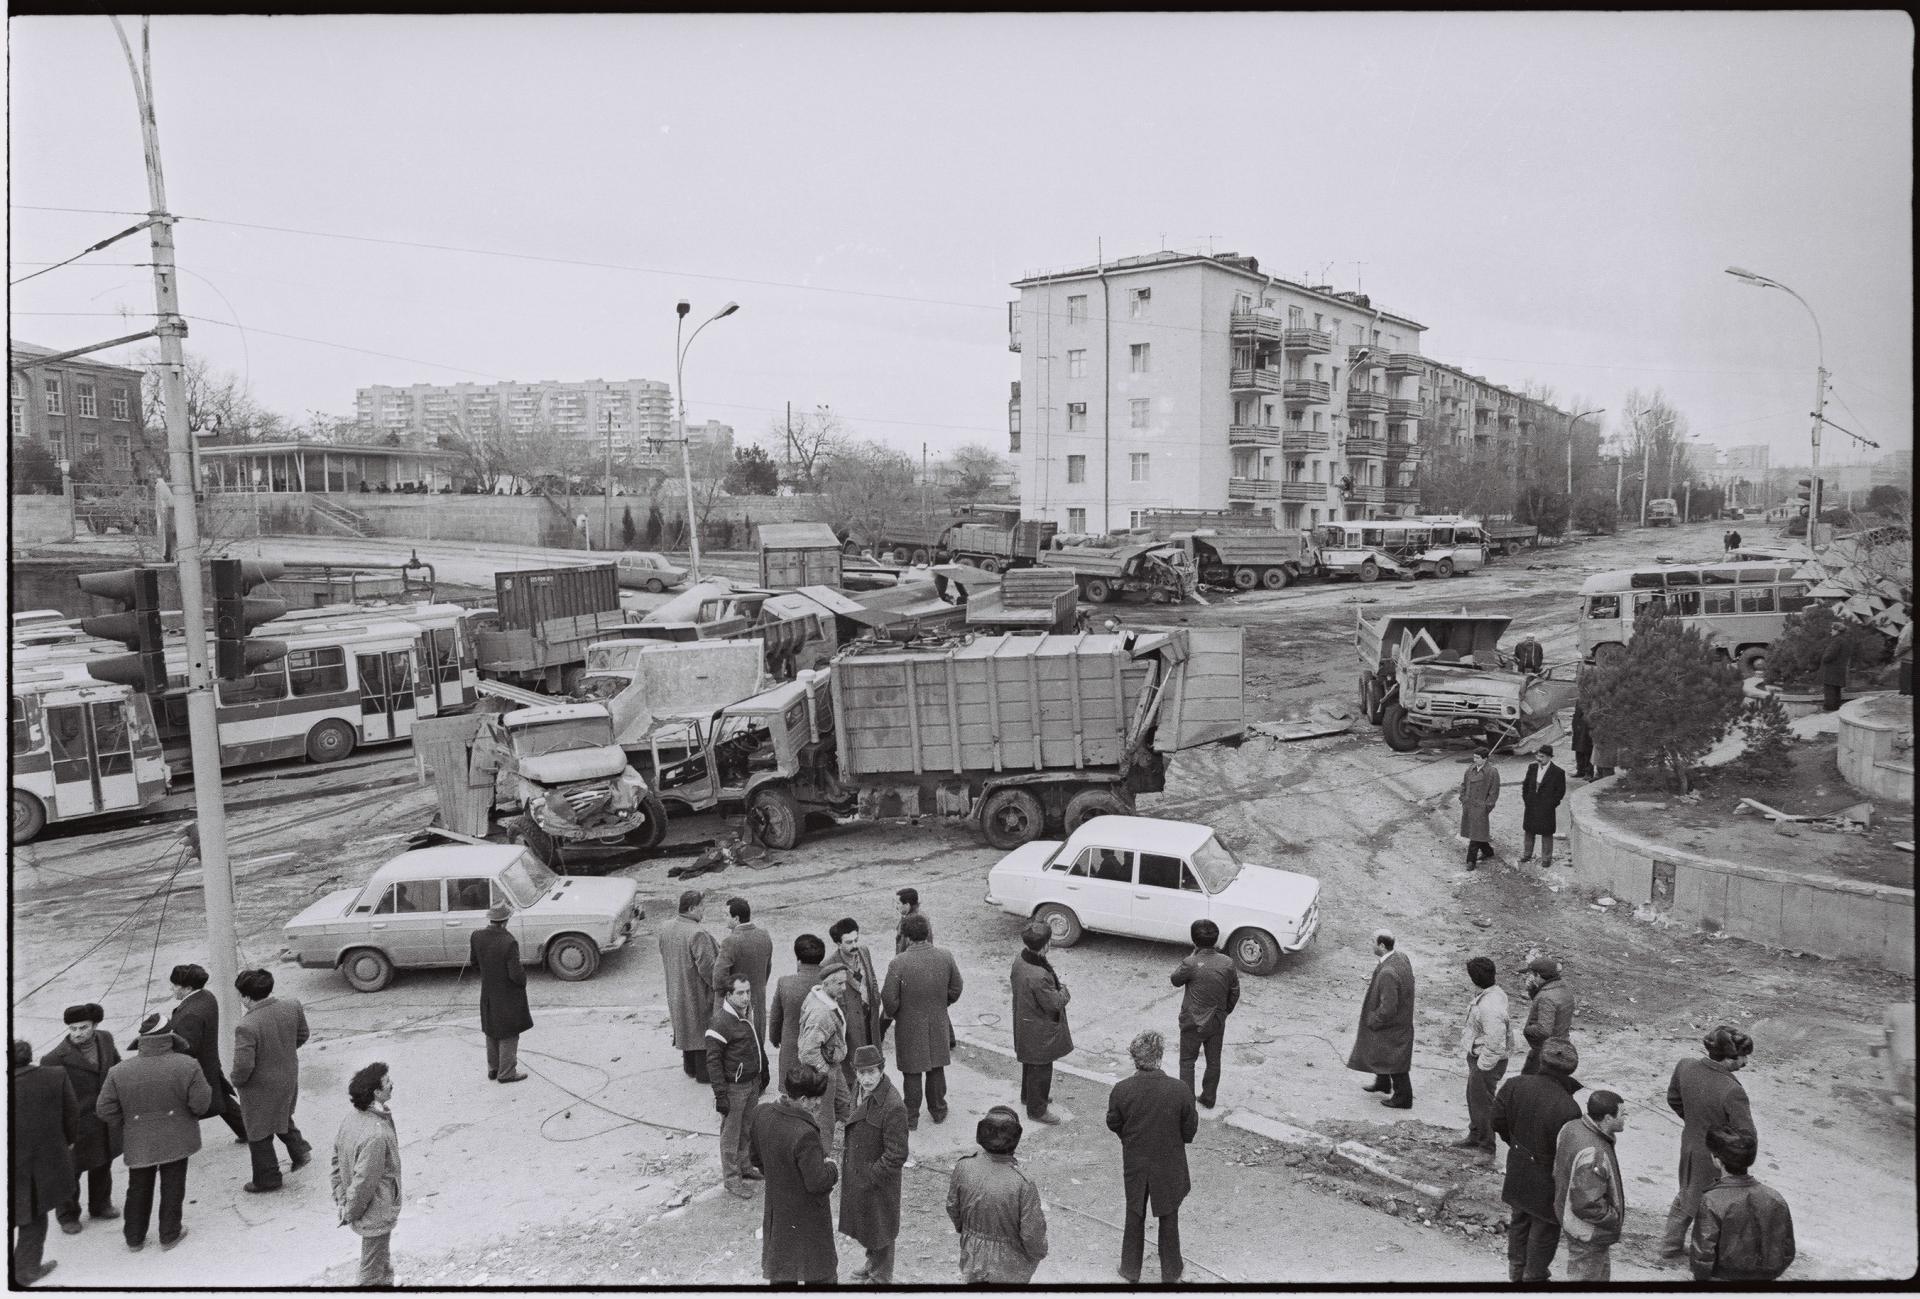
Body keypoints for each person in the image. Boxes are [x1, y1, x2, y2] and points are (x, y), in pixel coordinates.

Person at [96, 1014, 212, 1254]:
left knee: (138, 1186)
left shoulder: (118, 1071)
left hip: (138, 1139)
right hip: (177, 1136)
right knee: (173, 1184)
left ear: (141, 1040)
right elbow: (201, 1104)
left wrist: (129, 1123)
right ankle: (169, 1234)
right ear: (170, 1037)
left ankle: (134, 1238)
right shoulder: (188, 1064)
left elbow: (104, 1109)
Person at [1105, 1030, 1198, 1285]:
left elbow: (1113, 1122)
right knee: (1169, 1215)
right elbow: (1189, 1130)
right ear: (1160, 1056)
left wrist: (1129, 1138)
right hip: (1169, 1162)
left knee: (1134, 1212)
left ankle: (1129, 1269)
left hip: (1136, 1161)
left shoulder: (1121, 1089)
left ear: (1135, 1059)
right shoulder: (1180, 1090)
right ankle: (1171, 1271)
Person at [1660, 1025, 1757, 1263]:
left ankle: (1670, 1245)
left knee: (1686, 1194)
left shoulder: (1685, 1066)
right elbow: (1747, 1136)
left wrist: (1695, 1122)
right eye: (1743, 1057)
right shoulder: (1732, 1090)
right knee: (1712, 1206)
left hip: (1690, 1146)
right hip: (1718, 1158)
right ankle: (1703, 1254)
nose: (1746, 1062)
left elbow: (1673, 1098)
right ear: (1729, 1057)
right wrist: (1728, 1147)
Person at [1491, 1038, 1583, 1283]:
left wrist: (1517, 1145)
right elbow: (1566, 1153)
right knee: (1544, 1229)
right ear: (1570, 1070)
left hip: (1518, 1167)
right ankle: (1534, 1277)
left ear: (1542, 1061)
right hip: (1548, 1179)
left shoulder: (1515, 1085)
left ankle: (1516, 1273)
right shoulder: (1570, 1107)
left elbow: (1497, 1120)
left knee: (1519, 1221)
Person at [749, 1064, 839, 1286]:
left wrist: (781, 1177)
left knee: (782, 1271)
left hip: (778, 1212)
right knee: (821, 1273)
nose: (818, 1103)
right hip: (809, 1215)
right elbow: (817, 1182)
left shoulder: (761, 1113)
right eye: (815, 1099)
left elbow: (755, 1158)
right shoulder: (805, 1133)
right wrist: (831, 1168)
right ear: (803, 1099)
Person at [231, 968, 313, 1194]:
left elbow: (243, 1066)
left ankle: (268, 1178)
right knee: (281, 1113)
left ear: (247, 997)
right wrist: (283, 1052)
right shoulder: (292, 1006)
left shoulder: (246, 1025)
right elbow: (303, 1035)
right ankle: (300, 1151)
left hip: (259, 1085)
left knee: (258, 1130)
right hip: (288, 1075)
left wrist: (236, 1081)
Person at [40, 1004, 121, 1233]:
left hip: (104, 1118)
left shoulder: (106, 1039)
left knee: (103, 1162)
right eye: (73, 1028)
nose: (77, 1033)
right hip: (75, 1125)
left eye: (83, 1027)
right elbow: (49, 1100)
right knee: (70, 1171)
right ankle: (68, 1216)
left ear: (94, 1025)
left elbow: (116, 1068)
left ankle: (100, 1205)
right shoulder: (53, 1059)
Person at [947, 1106, 1049, 1284]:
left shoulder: (963, 1167)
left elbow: (952, 1207)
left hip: (972, 1254)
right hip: (1010, 1264)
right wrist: (1039, 1253)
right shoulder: (1023, 1183)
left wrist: (968, 1233)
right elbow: (1032, 1234)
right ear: (1015, 1139)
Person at [880, 912, 963, 1131]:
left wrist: (899, 1013)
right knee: (936, 1068)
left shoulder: (898, 963)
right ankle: (938, 1110)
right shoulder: (945, 956)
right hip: (937, 1021)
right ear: (927, 933)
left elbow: (888, 999)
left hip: (909, 1025)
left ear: (907, 937)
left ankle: (911, 1117)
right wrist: (941, 1004)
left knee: (912, 1072)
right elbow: (956, 988)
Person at [839, 1045, 909, 1283]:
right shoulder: (859, 1089)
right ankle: (872, 1264)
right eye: (861, 1072)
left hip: (879, 1180)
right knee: (869, 1224)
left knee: (882, 1227)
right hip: (861, 1174)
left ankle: (881, 1277)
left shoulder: (893, 1105)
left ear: (881, 1070)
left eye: (871, 1072)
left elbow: (897, 1154)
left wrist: (871, 1176)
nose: (866, 1078)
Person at [1689, 1126, 1796, 1281]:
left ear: (1717, 1160)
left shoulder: (1712, 1200)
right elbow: (1787, 1249)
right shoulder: (1775, 1198)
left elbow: (1703, 1253)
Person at [10, 1039, 77, 1284]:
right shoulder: (55, 1076)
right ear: (29, 1056)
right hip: (40, 1164)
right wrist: (68, 1141)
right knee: (34, 1215)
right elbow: (71, 1112)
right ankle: (26, 1270)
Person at [332, 1062, 402, 1287]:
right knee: (371, 1273)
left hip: (368, 1207)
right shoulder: (376, 1133)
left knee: (381, 1262)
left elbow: (336, 1160)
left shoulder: (351, 1119)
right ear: (376, 1092)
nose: (392, 1084)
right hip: (376, 1209)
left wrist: (341, 1198)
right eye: (387, 1082)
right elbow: (364, 1182)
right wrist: (350, 1211)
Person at [163, 963, 249, 1143]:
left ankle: (176, 1144)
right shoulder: (206, 997)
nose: (172, 988)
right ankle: (249, 1131)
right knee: (222, 1099)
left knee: (183, 1106)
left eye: (175, 985)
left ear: (188, 988)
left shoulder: (190, 1013)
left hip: (197, 1068)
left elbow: (187, 1048)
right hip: (209, 1061)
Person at [1553, 1090, 1628, 1282]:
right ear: (1608, 1118)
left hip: (1569, 1218)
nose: (1625, 1118)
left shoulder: (1572, 1127)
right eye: (1622, 1114)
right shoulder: (1594, 1153)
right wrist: (1613, 1219)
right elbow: (1587, 1204)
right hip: (1588, 1233)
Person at [707, 973, 766, 1200]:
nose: (746, 997)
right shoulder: (721, 1022)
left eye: (748, 992)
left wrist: (762, 1071)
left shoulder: (746, 1014)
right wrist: (720, 1095)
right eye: (740, 993)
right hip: (734, 1089)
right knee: (730, 1135)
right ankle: (732, 1179)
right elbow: (713, 1061)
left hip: (752, 1084)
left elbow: (755, 1044)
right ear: (729, 995)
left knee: (747, 1129)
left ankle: (745, 1166)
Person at [1170, 919, 1240, 1110]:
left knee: (1187, 1061)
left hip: (1192, 1021)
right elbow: (1234, 992)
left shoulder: (1191, 962)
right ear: (1216, 939)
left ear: (1194, 940)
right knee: (1213, 1061)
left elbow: (1175, 980)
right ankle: (1209, 1098)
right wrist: (1224, 1013)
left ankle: (1187, 1103)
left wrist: (1193, 955)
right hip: (1216, 1020)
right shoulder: (1227, 963)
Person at [1010, 919, 1073, 1125]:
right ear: (1045, 945)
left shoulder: (1021, 960)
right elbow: (1054, 1004)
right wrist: (1064, 991)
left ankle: (1028, 1096)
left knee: (1030, 1064)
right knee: (1041, 1068)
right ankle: (1037, 1110)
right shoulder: (1039, 975)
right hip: (1039, 1028)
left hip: (1025, 1020)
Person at [1347, 929, 1416, 1109]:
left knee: (1394, 1059)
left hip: (1391, 1024)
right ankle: (1383, 1082)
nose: (1370, 944)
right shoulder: (1400, 957)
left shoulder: (1388, 972)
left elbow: (1388, 1008)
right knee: (1381, 1051)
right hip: (1401, 1020)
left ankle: (1403, 1097)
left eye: (1373, 941)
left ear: (1382, 946)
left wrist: (1374, 1020)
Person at [1451, 957, 1511, 1158]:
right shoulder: (1493, 993)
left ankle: (1487, 1148)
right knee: (1474, 1098)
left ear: (1473, 979)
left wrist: (1483, 1066)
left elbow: (1495, 1041)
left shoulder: (1489, 1005)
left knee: (1482, 1104)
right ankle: (1475, 1135)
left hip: (1486, 1060)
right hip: (1480, 1056)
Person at [660, 889, 718, 1083]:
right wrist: (719, 987)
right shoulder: (697, 933)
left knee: (685, 1027)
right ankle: (704, 1074)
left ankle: (690, 1068)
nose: (704, 911)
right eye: (702, 907)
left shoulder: (666, 927)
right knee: (701, 1030)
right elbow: (708, 969)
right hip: (696, 992)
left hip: (675, 989)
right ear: (692, 908)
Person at [470, 902, 531, 1084]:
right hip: (507, 994)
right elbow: (516, 974)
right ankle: (507, 1073)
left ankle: (494, 1069)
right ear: (505, 920)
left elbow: (474, 963)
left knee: (492, 1029)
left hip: (488, 991)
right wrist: (523, 980)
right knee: (509, 1032)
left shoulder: (477, 936)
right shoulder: (508, 941)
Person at [798, 965, 852, 1155]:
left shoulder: (821, 996)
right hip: (823, 1070)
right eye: (839, 984)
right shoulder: (821, 1014)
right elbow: (807, 1052)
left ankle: (852, 1144)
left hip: (833, 1065)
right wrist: (824, 1072)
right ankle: (822, 1158)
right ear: (826, 983)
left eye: (844, 983)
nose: (844, 988)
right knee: (825, 1119)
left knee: (845, 1103)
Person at [712, 897, 774, 1062]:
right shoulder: (764, 936)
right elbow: (767, 968)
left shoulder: (730, 941)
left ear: (736, 918)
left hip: (736, 1003)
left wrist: (725, 996)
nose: (724, 918)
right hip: (758, 998)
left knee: (735, 1049)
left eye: (726, 915)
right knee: (756, 1042)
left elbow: (718, 978)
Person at [823, 918, 883, 1076]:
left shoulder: (864, 951)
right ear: (838, 943)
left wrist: (876, 999)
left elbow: (872, 977)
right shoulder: (828, 965)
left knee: (874, 1065)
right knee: (853, 1072)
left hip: (870, 1021)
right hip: (850, 1029)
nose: (855, 945)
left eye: (856, 940)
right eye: (849, 942)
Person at [770, 934, 826, 1099]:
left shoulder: (785, 983)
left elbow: (775, 1018)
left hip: (792, 1049)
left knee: (792, 1096)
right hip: (822, 1051)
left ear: (798, 960)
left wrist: (774, 1039)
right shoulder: (829, 982)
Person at [1519, 956, 1575, 1076]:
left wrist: (1527, 1030)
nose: (1529, 978)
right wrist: (1533, 990)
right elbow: (1548, 1008)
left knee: (1528, 1083)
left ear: (1539, 975)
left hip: (1545, 1052)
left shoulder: (1546, 997)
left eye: (1532, 975)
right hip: (1561, 1047)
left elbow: (1543, 1030)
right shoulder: (1562, 987)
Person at [1517, 745, 1567, 867]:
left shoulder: (1558, 772)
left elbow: (1560, 792)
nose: (1539, 759)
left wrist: (1551, 804)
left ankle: (1546, 859)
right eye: (1538, 756)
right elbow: (1526, 785)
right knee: (1529, 831)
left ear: (1549, 757)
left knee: (1547, 833)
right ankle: (1527, 854)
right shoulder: (1532, 767)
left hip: (1546, 808)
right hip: (1531, 806)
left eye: (1542, 756)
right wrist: (1527, 800)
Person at [1459, 745, 1501, 868]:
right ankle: (1488, 851)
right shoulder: (1470, 769)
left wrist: (1487, 806)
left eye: (1477, 758)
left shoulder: (1492, 772)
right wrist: (1463, 798)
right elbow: (1463, 785)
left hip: (1481, 807)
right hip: (1469, 805)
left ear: (1485, 759)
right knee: (1477, 832)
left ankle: (1470, 861)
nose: (1474, 760)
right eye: (1474, 757)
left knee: (1475, 833)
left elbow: (1494, 792)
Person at [1819, 623, 1853, 712]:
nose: (1831, 632)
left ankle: (1829, 710)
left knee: (1830, 691)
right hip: (1840, 669)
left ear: (1837, 631)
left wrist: (1824, 657)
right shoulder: (1846, 641)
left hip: (1831, 670)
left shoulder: (1837, 641)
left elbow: (1829, 656)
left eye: (1832, 629)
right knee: (1836, 691)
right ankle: (1836, 710)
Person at [893, 888, 931, 955]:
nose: (896, 907)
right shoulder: (915, 916)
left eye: (898, 903)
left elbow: (915, 950)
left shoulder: (914, 922)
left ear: (907, 905)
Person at [1570, 702, 1595, 780]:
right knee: (1578, 749)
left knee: (1587, 749)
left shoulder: (1591, 697)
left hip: (1587, 726)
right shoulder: (1579, 698)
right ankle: (1580, 770)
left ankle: (1589, 772)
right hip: (1578, 725)